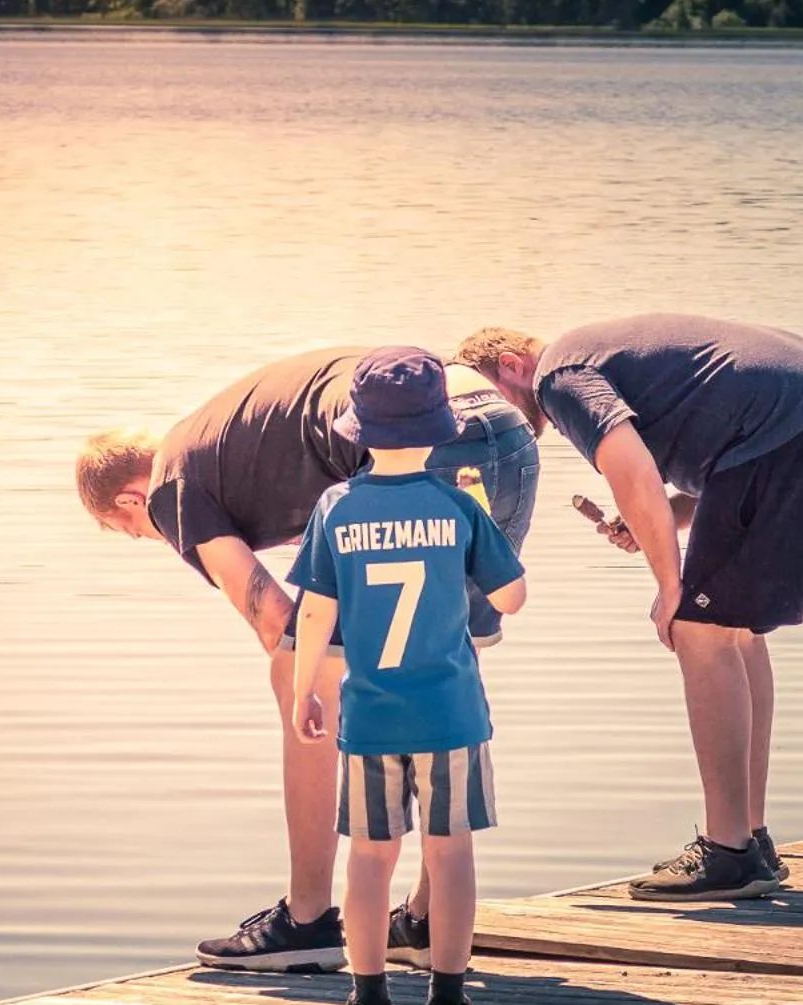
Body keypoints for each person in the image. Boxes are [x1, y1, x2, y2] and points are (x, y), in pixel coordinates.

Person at [75, 347, 537, 971]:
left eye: (136, 534)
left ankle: (309, 918)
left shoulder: (170, 486)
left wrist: (325, 687)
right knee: (446, 653)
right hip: (500, 428)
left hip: (424, 436)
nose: (157, 536)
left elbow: (273, 616)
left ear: (130, 503)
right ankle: (428, 923)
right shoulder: (224, 442)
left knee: (297, 671)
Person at [455, 315, 803, 902]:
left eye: (490, 398)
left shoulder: (559, 375)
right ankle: (750, 838)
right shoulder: (602, 356)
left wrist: (670, 585)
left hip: (787, 431)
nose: (495, 419)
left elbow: (632, 471)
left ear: (511, 366)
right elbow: (710, 459)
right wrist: (662, 520)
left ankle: (728, 854)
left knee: (700, 629)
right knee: (737, 632)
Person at [286, 347, 527, 1005]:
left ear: (359, 430)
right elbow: (512, 595)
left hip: (368, 718)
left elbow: (313, 613)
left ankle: (367, 1002)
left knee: (369, 855)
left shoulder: (335, 507)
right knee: (448, 851)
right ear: (437, 429)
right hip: (450, 715)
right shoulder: (457, 505)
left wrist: (306, 690)